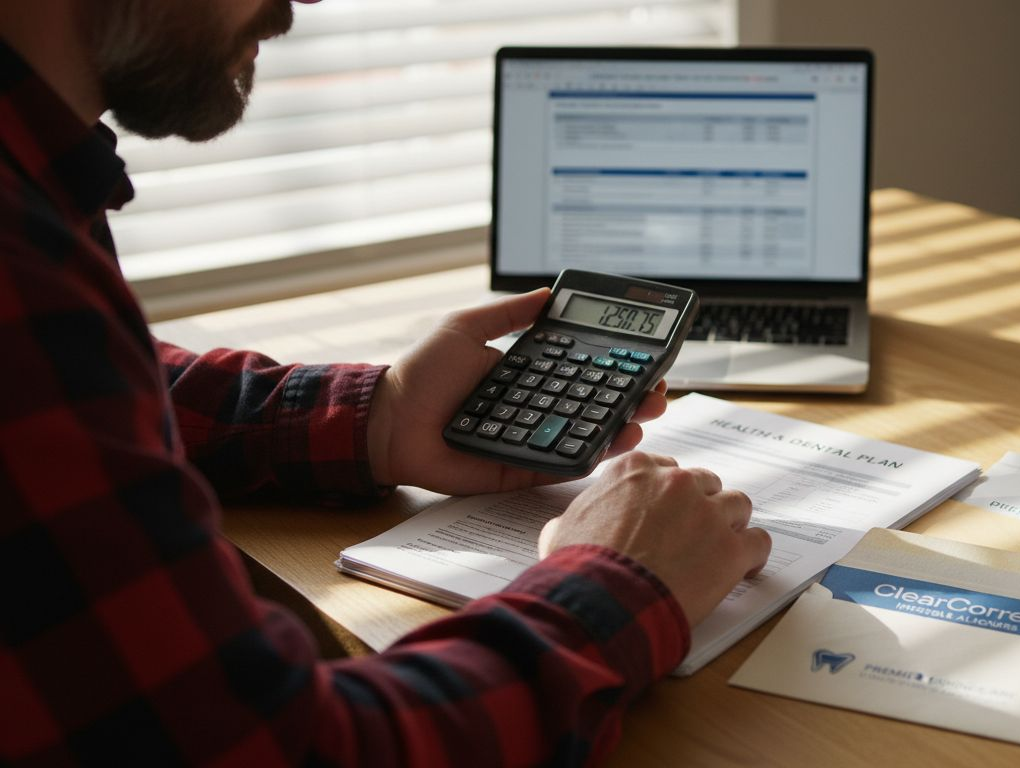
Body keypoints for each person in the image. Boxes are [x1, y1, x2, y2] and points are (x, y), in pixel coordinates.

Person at [0, 0, 772, 764]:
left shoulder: (37, 211)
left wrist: (380, 419)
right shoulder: (23, 281)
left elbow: (102, 389)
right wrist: (617, 586)